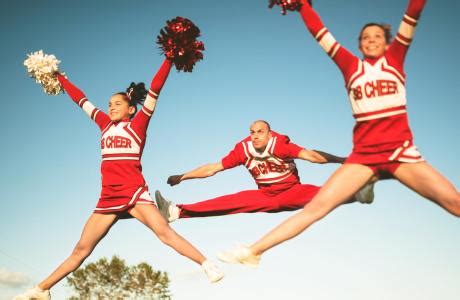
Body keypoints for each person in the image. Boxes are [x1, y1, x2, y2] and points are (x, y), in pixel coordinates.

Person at [218, 0, 459, 267]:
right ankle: (254, 251)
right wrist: (301, 6)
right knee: (317, 207)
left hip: (400, 153)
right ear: (359, 45)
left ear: (389, 42)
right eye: (366, 37)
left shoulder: (395, 59)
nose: (371, 40)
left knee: (454, 204)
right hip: (364, 158)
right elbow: (321, 33)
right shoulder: (351, 67)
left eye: (377, 36)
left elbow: (413, 11)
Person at [15, 60, 223, 300]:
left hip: (134, 193)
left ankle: (206, 263)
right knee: (81, 249)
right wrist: (59, 77)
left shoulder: (138, 126)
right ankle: (41, 289)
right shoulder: (104, 125)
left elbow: (156, 89)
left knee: (163, 232)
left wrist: (169, 58)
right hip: (108, 197)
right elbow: (80, 99)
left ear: (131, 109)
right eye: (109, 104)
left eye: (117, 104)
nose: (111, 108)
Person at [155, 120, 374, 224]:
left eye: (260, 132)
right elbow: (213, 168)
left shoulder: (280, 145)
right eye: (252, 132)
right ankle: (175, 212)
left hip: (291, 191)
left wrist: (345, 160)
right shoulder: (243, 149)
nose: (256, 136)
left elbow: (312, 156)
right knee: (229, 201)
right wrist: (183, 176)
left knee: (324, 193)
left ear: (269, 134)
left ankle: (359, 193)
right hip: (265, 196)